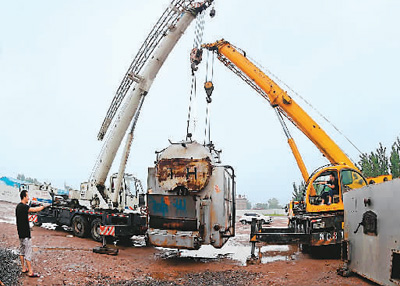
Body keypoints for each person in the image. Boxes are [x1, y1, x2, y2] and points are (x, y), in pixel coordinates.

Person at [16, 190, 47, 278]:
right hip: (26, 233)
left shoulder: (18, 206)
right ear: (24, 197)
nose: (28, 198)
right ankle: (30, 272)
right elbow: (35, 209)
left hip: (20, 233)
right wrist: (43, 206)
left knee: (22, 251)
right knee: (28, 252)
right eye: (27, 196)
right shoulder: (24, 207)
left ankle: (23, 268)